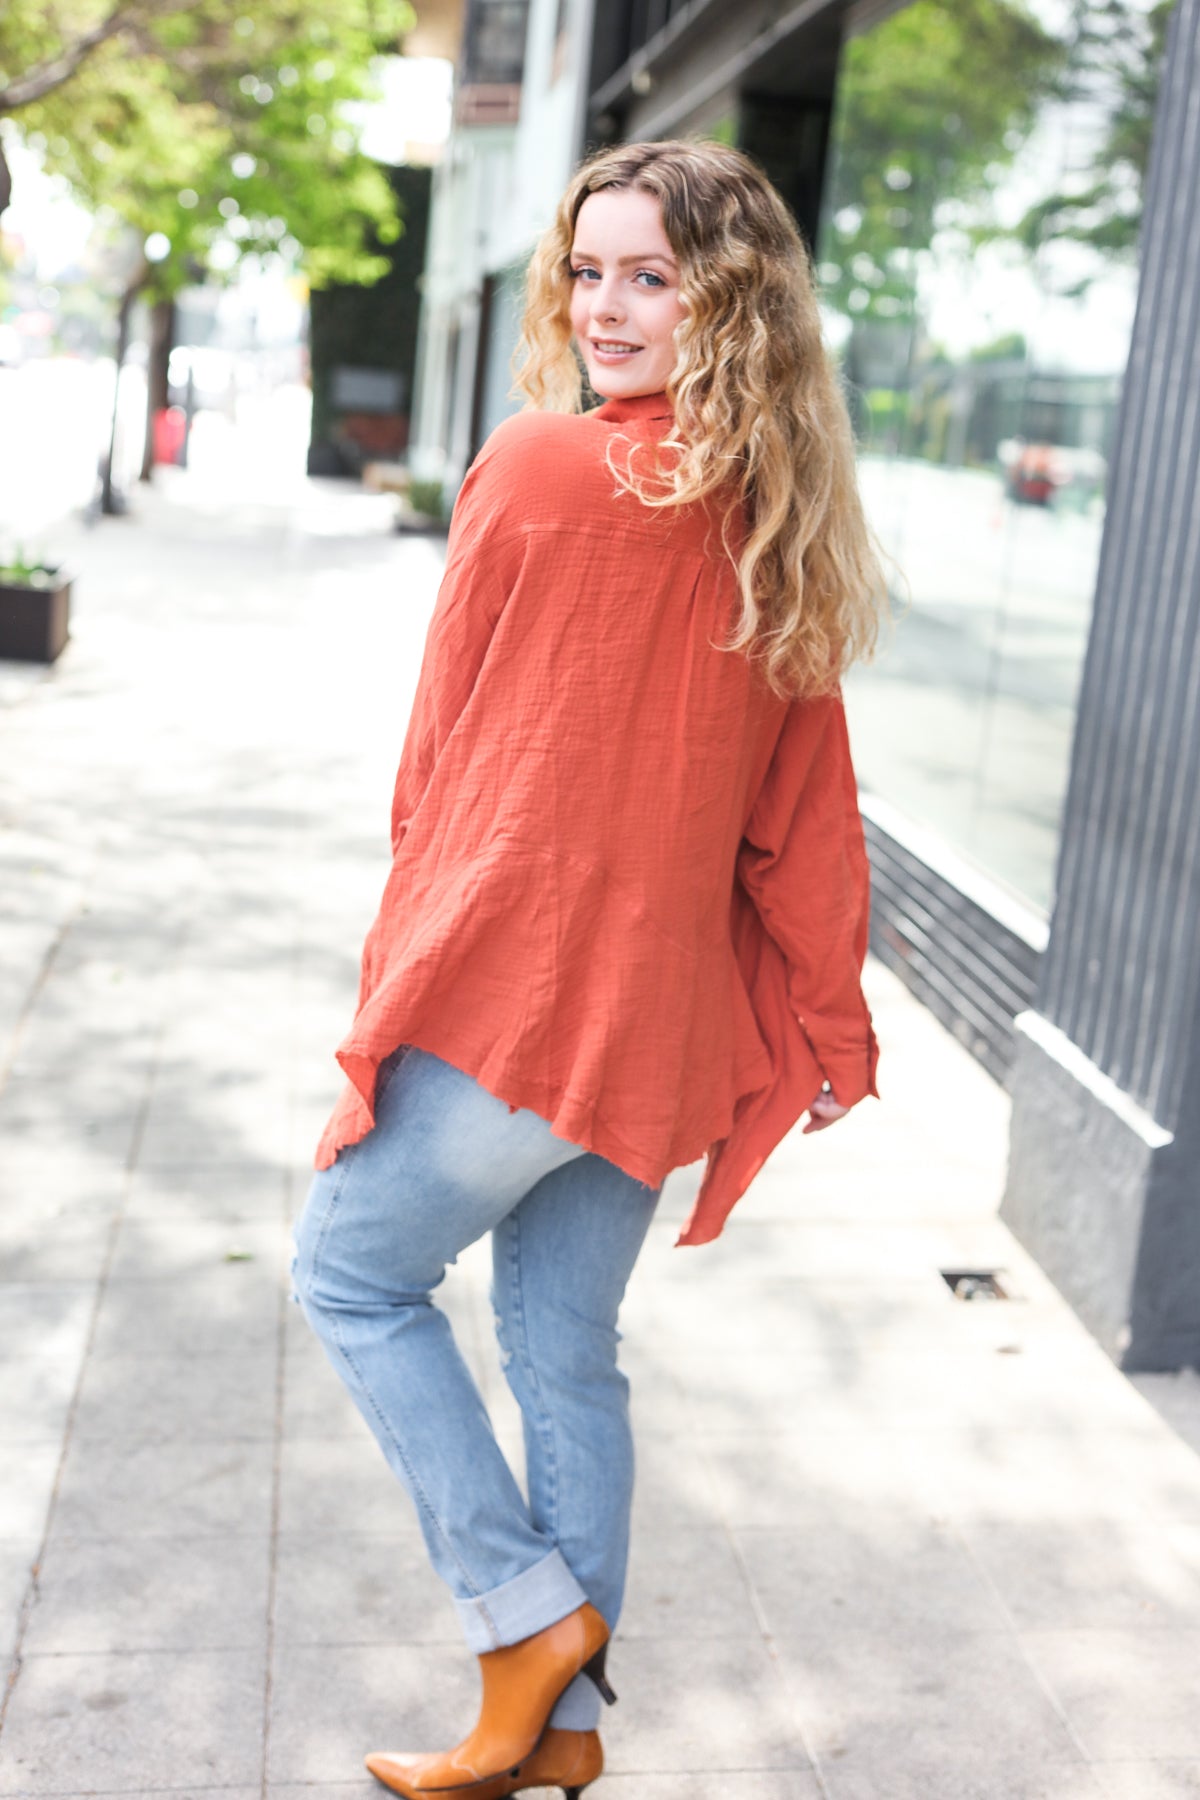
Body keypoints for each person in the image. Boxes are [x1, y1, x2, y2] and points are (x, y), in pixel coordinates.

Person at [290, 138, 885, 1800]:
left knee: (346, 1275)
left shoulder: (539, 464)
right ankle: (558, 1739)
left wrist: (396, 982)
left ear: (727, 303)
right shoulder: (783, 525)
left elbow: (440, 761)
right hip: (656, 1035)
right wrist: (829, 1023)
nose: (604, 305)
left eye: (651, 276)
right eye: (589, 269)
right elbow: (808, 822)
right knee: (564, 1356)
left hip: (520, 1004)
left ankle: (523, 1616)